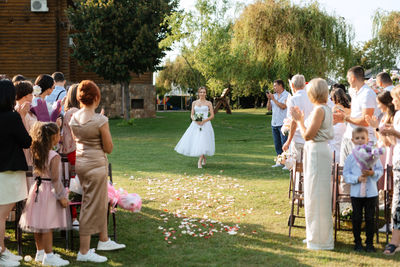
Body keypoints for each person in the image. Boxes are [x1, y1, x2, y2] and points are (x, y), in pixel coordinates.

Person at [69, 80, 125, 263]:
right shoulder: (101, 120)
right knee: (89, 206)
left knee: (100, 202)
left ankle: (104, 240)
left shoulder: (73, 118)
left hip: (81, 163)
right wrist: (101, 124)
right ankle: (84, 252)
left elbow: (78, 139)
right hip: (96, 165)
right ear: (96, 97)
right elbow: (109, 148)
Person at [291, 78, 334, 250]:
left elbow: (308, 135)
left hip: (316, 151)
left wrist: (300, 120)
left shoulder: (319, 110)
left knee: (317, 194)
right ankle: (314, 234)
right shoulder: (325, 109)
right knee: (313, 193)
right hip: (316, 151)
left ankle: (320, 239)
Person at [19, 122, 70, 266]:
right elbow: (55, 179)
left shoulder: (37, 153)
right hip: (49, 192)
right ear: (54, 137)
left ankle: (39, 252)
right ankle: (49, 255)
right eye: (59, 133)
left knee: (38, 223)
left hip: (36, 190)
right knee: (47, 225)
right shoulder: (54, 156)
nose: (60, 136)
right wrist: (62, 197)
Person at [0, 79, 31, 267]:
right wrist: (21, 116)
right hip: (9, 170)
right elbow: (26, 141)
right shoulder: (12, 117)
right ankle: (1, 253)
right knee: (1, 216)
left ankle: (3, 249)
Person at [333, 66, 377, 193]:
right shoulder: (354, 93)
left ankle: (360, 205)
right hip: (348, 136)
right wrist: (341, 116)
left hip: (360, 140)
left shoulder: (367, 93)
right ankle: (345, 207)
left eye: (347, 77)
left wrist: (345, 118)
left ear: (352, 78)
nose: (347, 80)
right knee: (345, 171)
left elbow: (365, 120)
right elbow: (354, 115)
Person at [343, 127, 383, 252]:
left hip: (371, 193)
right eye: (357, 138)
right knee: (357, 217)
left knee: (370, 218)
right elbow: (346, 174)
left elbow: (380, 170)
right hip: (356, 193)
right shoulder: (350, 158)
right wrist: (357, 178)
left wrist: (372, 173)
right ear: (352, 140)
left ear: (367, 140)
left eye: (362, 138)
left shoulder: (373, 155)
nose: (360, 141)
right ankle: (357, 242)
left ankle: (369, 243)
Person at [380, 85, 400, 255]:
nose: (392, 102)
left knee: (398, 201)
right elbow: (394, 142)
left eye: (395, 98)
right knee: (397, 200)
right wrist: (387, 132)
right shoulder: (398, 114)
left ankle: (395, 241)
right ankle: (396, 239)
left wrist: (394, 131)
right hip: (398, 161)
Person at [175, 86, 215, 168]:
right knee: (197, 141)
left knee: (203, 141)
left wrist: (204, 121)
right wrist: (195, 120)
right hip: (196, 124)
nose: (202, 94)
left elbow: (212, 115)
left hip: (205, 124)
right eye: (201, 92)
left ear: (206, 93)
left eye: (204, 92)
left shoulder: (208, 103)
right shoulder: (194, 103)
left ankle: (199, 161)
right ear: (198, 93)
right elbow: (192, 114)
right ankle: (203, 157)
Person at [61, 84, 80, 228]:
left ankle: (73, 216)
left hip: (68, 151)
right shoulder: (75, 112)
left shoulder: (67, 112)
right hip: (75, 151)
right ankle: (75, 217)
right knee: (75, 183)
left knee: (70, 183)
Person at [282, 74, 313, 163]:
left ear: (292, 85)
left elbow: (293, 121)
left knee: (297, 167)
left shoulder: (293, 99)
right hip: (310, 135)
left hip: (298, 137)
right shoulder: (311, 97)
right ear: (304, 84)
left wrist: (288, 141)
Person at [267, 79, 290, 167]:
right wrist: (269, 100)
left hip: (283, 123)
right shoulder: (274, 96)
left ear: (281, 86)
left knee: (284, 143)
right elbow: (268, 108)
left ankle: (286, 163)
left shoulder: (287, 95)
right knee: (277, 144)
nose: (274, 88)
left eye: (275, 86)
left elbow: (283, 107)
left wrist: (274, 99)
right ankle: (279, 161)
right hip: (274, 123)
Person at [329, 87, 350, 162]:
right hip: (347, 129)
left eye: (332, 98)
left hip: (338, 129)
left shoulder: (336, 107)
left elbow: (332, 121)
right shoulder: (350, 107)